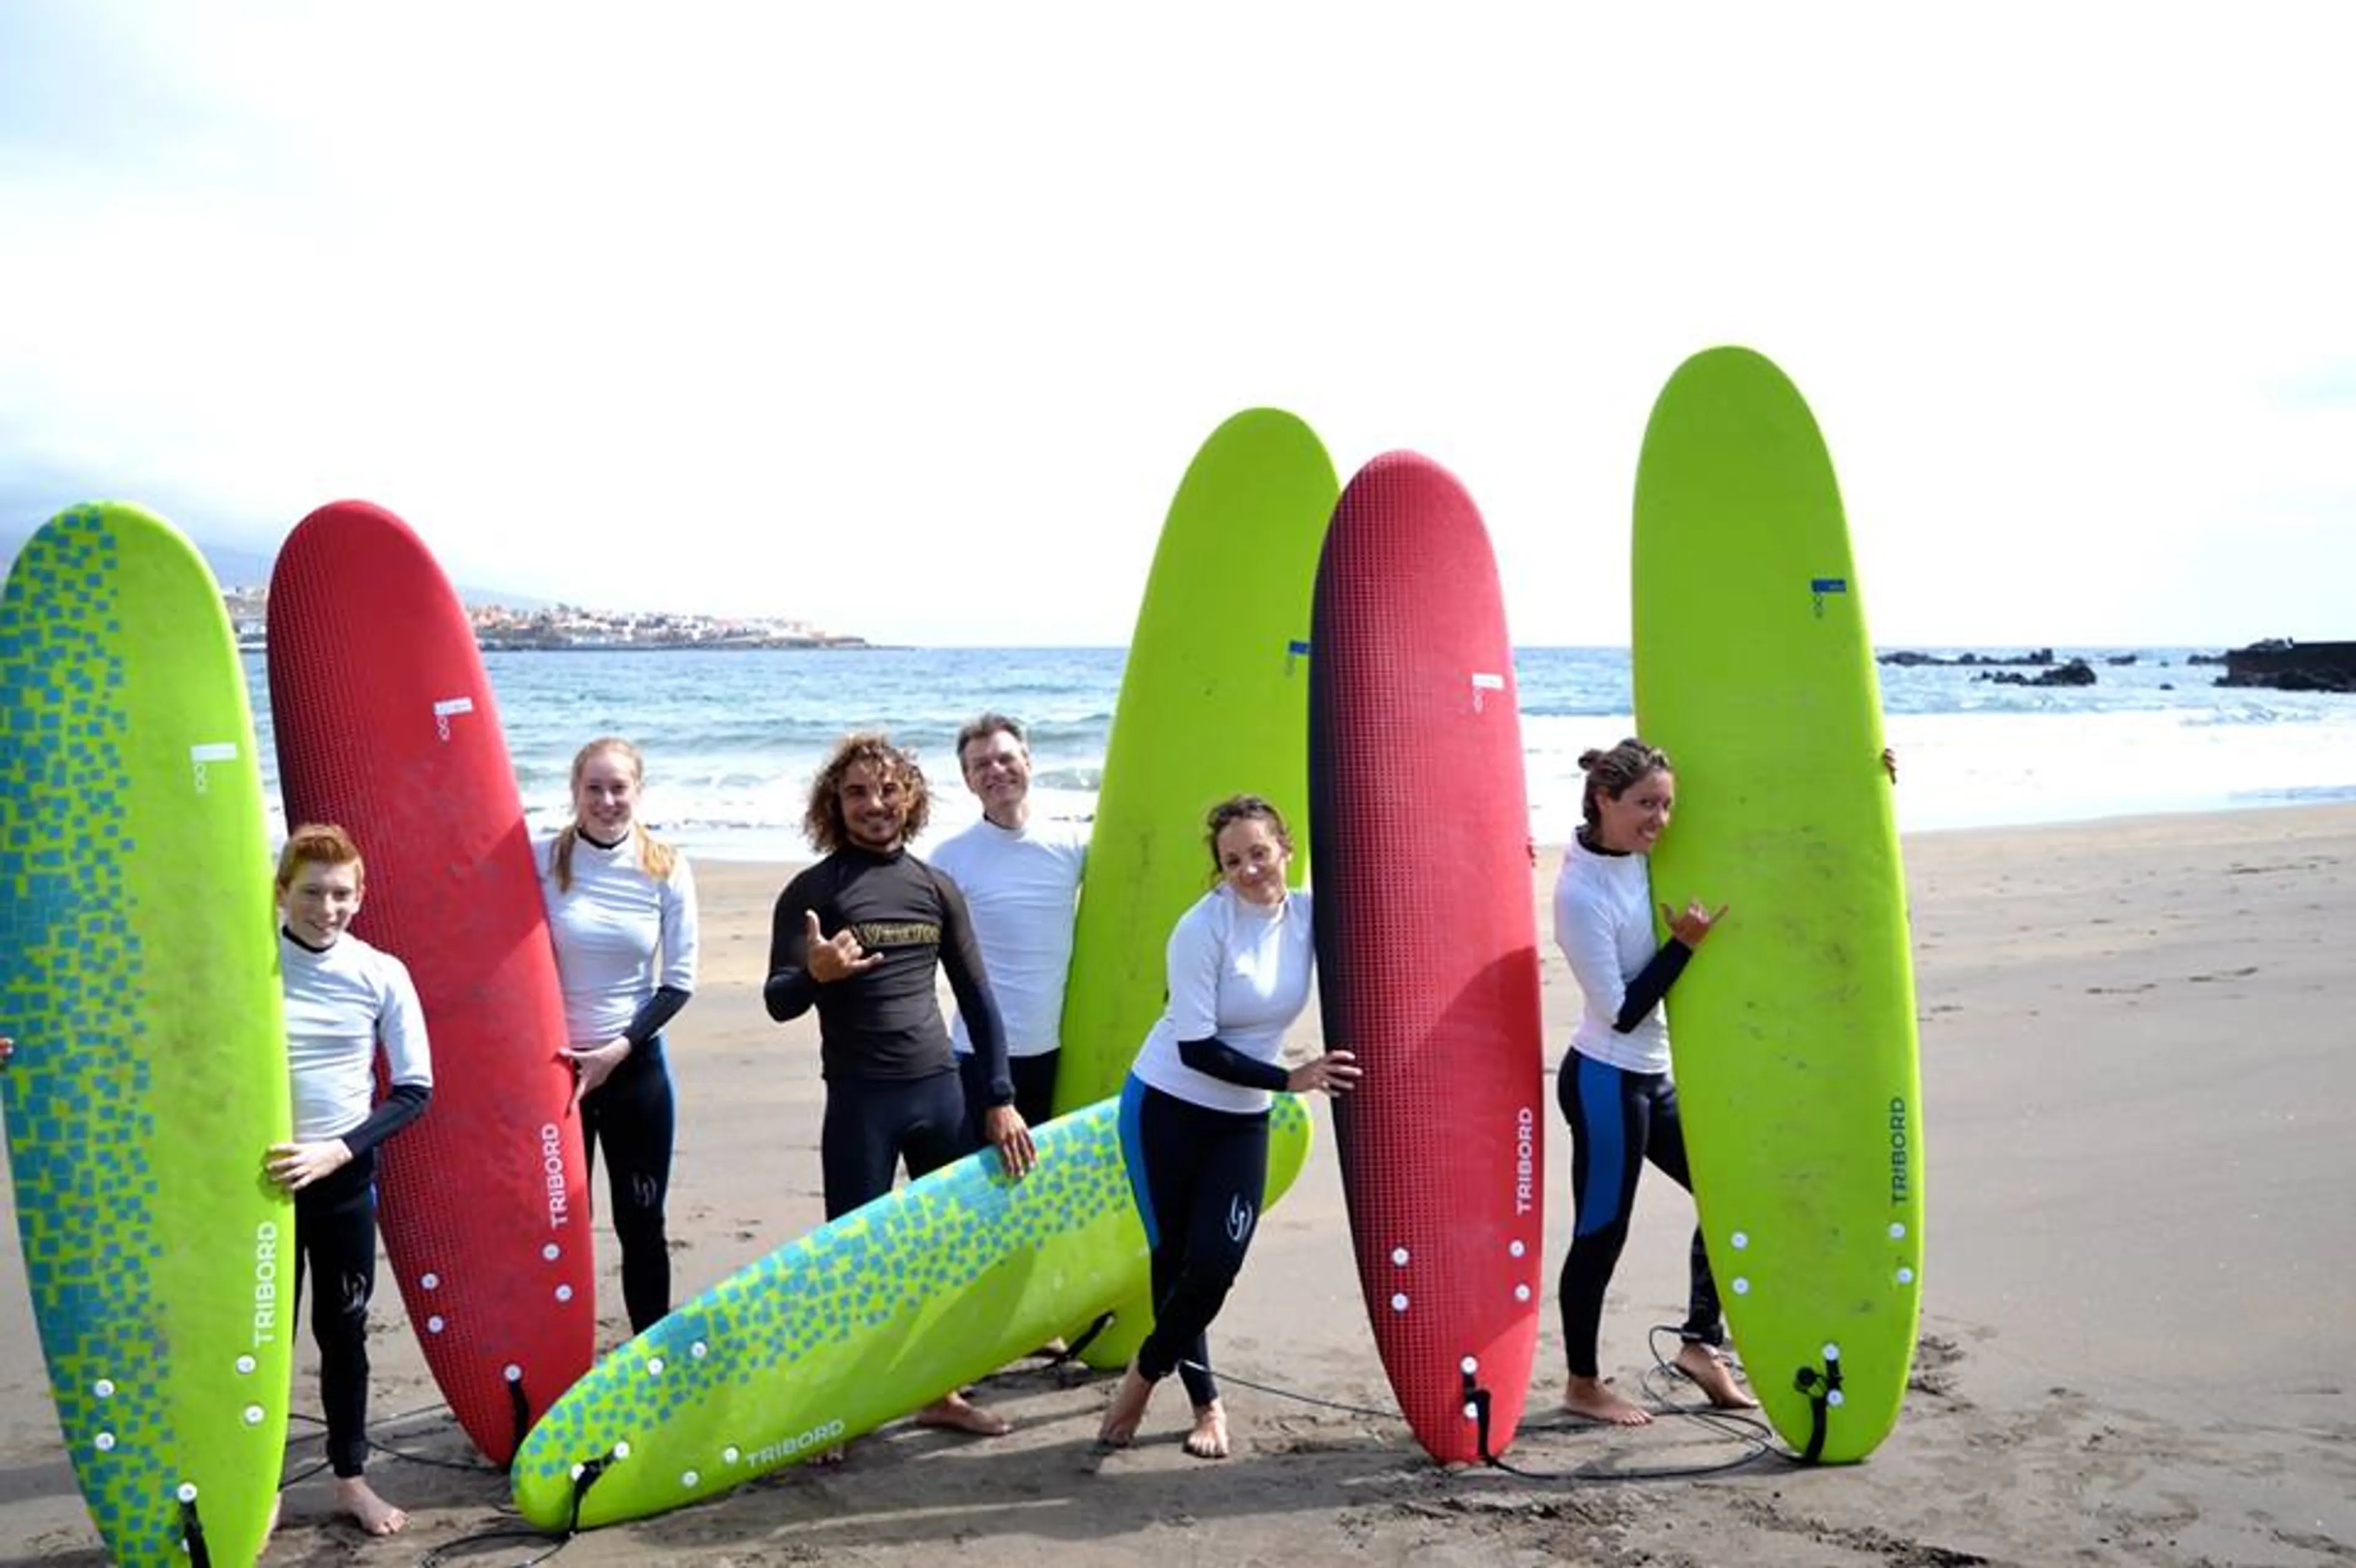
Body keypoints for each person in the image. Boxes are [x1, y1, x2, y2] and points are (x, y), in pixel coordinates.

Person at [764, 731, 1037, 1440]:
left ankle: (939, 1392)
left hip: (940, 1092)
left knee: (945, 1252)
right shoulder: (813, 893)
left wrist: (1000, 1098)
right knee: (851, 1260)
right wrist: (814, 974)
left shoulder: (935, 888)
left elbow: (979, 999)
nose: (874, 804)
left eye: (888, 790)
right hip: (861, 1101)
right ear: (834, 803)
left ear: (911, 797)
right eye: (857, 792)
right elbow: (778, 1001)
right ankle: (838, 1408)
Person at [1096, 794, 1359, 1459]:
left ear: (1286, 849)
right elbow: (1196, 1048)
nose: (1249, 870)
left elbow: (1379, 902)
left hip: (1240, 1119)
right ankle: (1205, 1403)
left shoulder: (1309, 916)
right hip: (1167, 1104)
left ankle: (1143, 1370)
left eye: (1259, 853)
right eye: (1233, 860)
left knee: (1216, 1263)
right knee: (1177, 1259)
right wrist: (1291, 1079)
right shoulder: (1201, 929)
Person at [1550, 737, 1755, 1425]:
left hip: (1653, 1076)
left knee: (1731, 1198)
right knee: (1601, 1232)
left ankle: (1700, 1344)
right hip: (1606, 1081)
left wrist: (1868, 773)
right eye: (1645, 805)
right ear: (1603, 800)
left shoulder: (1649, 858)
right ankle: (1583, 1385)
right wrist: (1683, 948)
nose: (1660, 821)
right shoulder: (1580, 893)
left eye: (1666, 806)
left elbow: (1760, 813)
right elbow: (1621, 1010)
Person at [269, 823, 434, 1534]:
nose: (326, 908)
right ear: (282, 892)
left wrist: (337, 1151)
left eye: (340, 894)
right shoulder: (248, 966)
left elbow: (414, 1090)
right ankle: (259, 1487)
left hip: (341, 1183)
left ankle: (350, 1480)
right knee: (263, 1341)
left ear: (360, 896)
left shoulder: (381, 972)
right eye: (311, 893)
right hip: (261, 1187)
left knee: (344, 1332)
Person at [538, 736, 700, 1337]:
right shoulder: (539, 858)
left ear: (638, 791)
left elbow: (678, 984)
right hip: (555, 1076)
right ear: (574, 791)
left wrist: (614, 1052)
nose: (607, 801)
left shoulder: (666, 867)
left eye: (618, 788)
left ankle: (651, 1358)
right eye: (594, 788)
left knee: (642, 1222)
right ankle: (560, 1359)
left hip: (634, 1070)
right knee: (559, 1229)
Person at [928, 712, 1087, 1137]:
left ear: (1028, 762)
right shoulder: (949, 859)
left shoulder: (1074, 845)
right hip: (979, 1055)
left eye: (1005, 759)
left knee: (1046, 1175)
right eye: (981, 765)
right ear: (968, 781)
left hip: (1058, 1051)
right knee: (984, 1176)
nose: (996, 771)